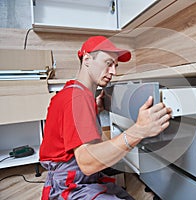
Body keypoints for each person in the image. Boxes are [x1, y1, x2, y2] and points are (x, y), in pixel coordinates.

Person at [39, 36, 172, 200]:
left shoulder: (79, 94)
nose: (113, 72)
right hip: (70, 187)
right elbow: (87, 164)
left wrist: (94, 109)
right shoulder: (77, 99)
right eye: (108, 63)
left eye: (115, 66)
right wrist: (139, 131)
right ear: (87, 59)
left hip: (78, 180)